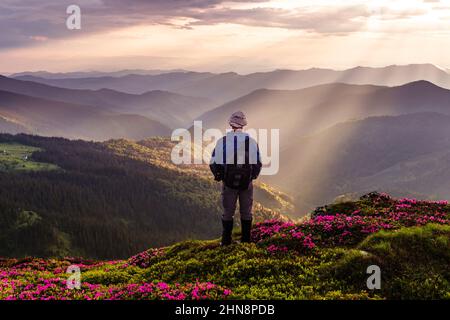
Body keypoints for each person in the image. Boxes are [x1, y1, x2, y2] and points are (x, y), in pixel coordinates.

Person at [210, 111, 262, 246]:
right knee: (246, 211)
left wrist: (220, 176)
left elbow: (213, 163)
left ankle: (226, 241)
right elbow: (258, 163)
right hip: (246, 183)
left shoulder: (222, 141)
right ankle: (246, 241)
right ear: (244, 125)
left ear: (230, 124)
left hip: (228, 183)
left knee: (228, 212)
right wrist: (251, 177)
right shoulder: (251, 142)